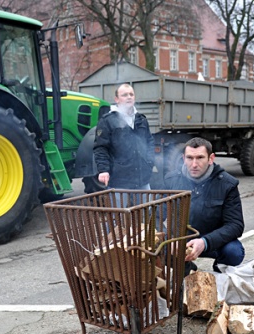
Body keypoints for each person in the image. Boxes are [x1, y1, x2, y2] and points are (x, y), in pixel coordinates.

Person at [164, 137, 245, 273]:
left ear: (211, 158)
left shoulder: (227, 184)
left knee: (234, 252)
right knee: (155, 247)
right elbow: (155, 215)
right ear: (183, 158)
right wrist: (169, 239)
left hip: (213, 243)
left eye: (200, 158)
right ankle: (186, 267)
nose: (194, 164)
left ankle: (218, 276)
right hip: (181, 242)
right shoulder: (171, 181)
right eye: (190, 158)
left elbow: (236, 225)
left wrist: (205, 242)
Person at [93, 83, 155, 197]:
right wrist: (103, 170)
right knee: (120, 214)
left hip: (142, 179)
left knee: (145, 213)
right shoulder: (107, 120)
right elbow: (101, 148)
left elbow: (149, 141)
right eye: (124, 95)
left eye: (131, 94)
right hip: (119, 181)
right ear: (117, 99)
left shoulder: (141, 119)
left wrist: (150, 162)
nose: (129, 97)